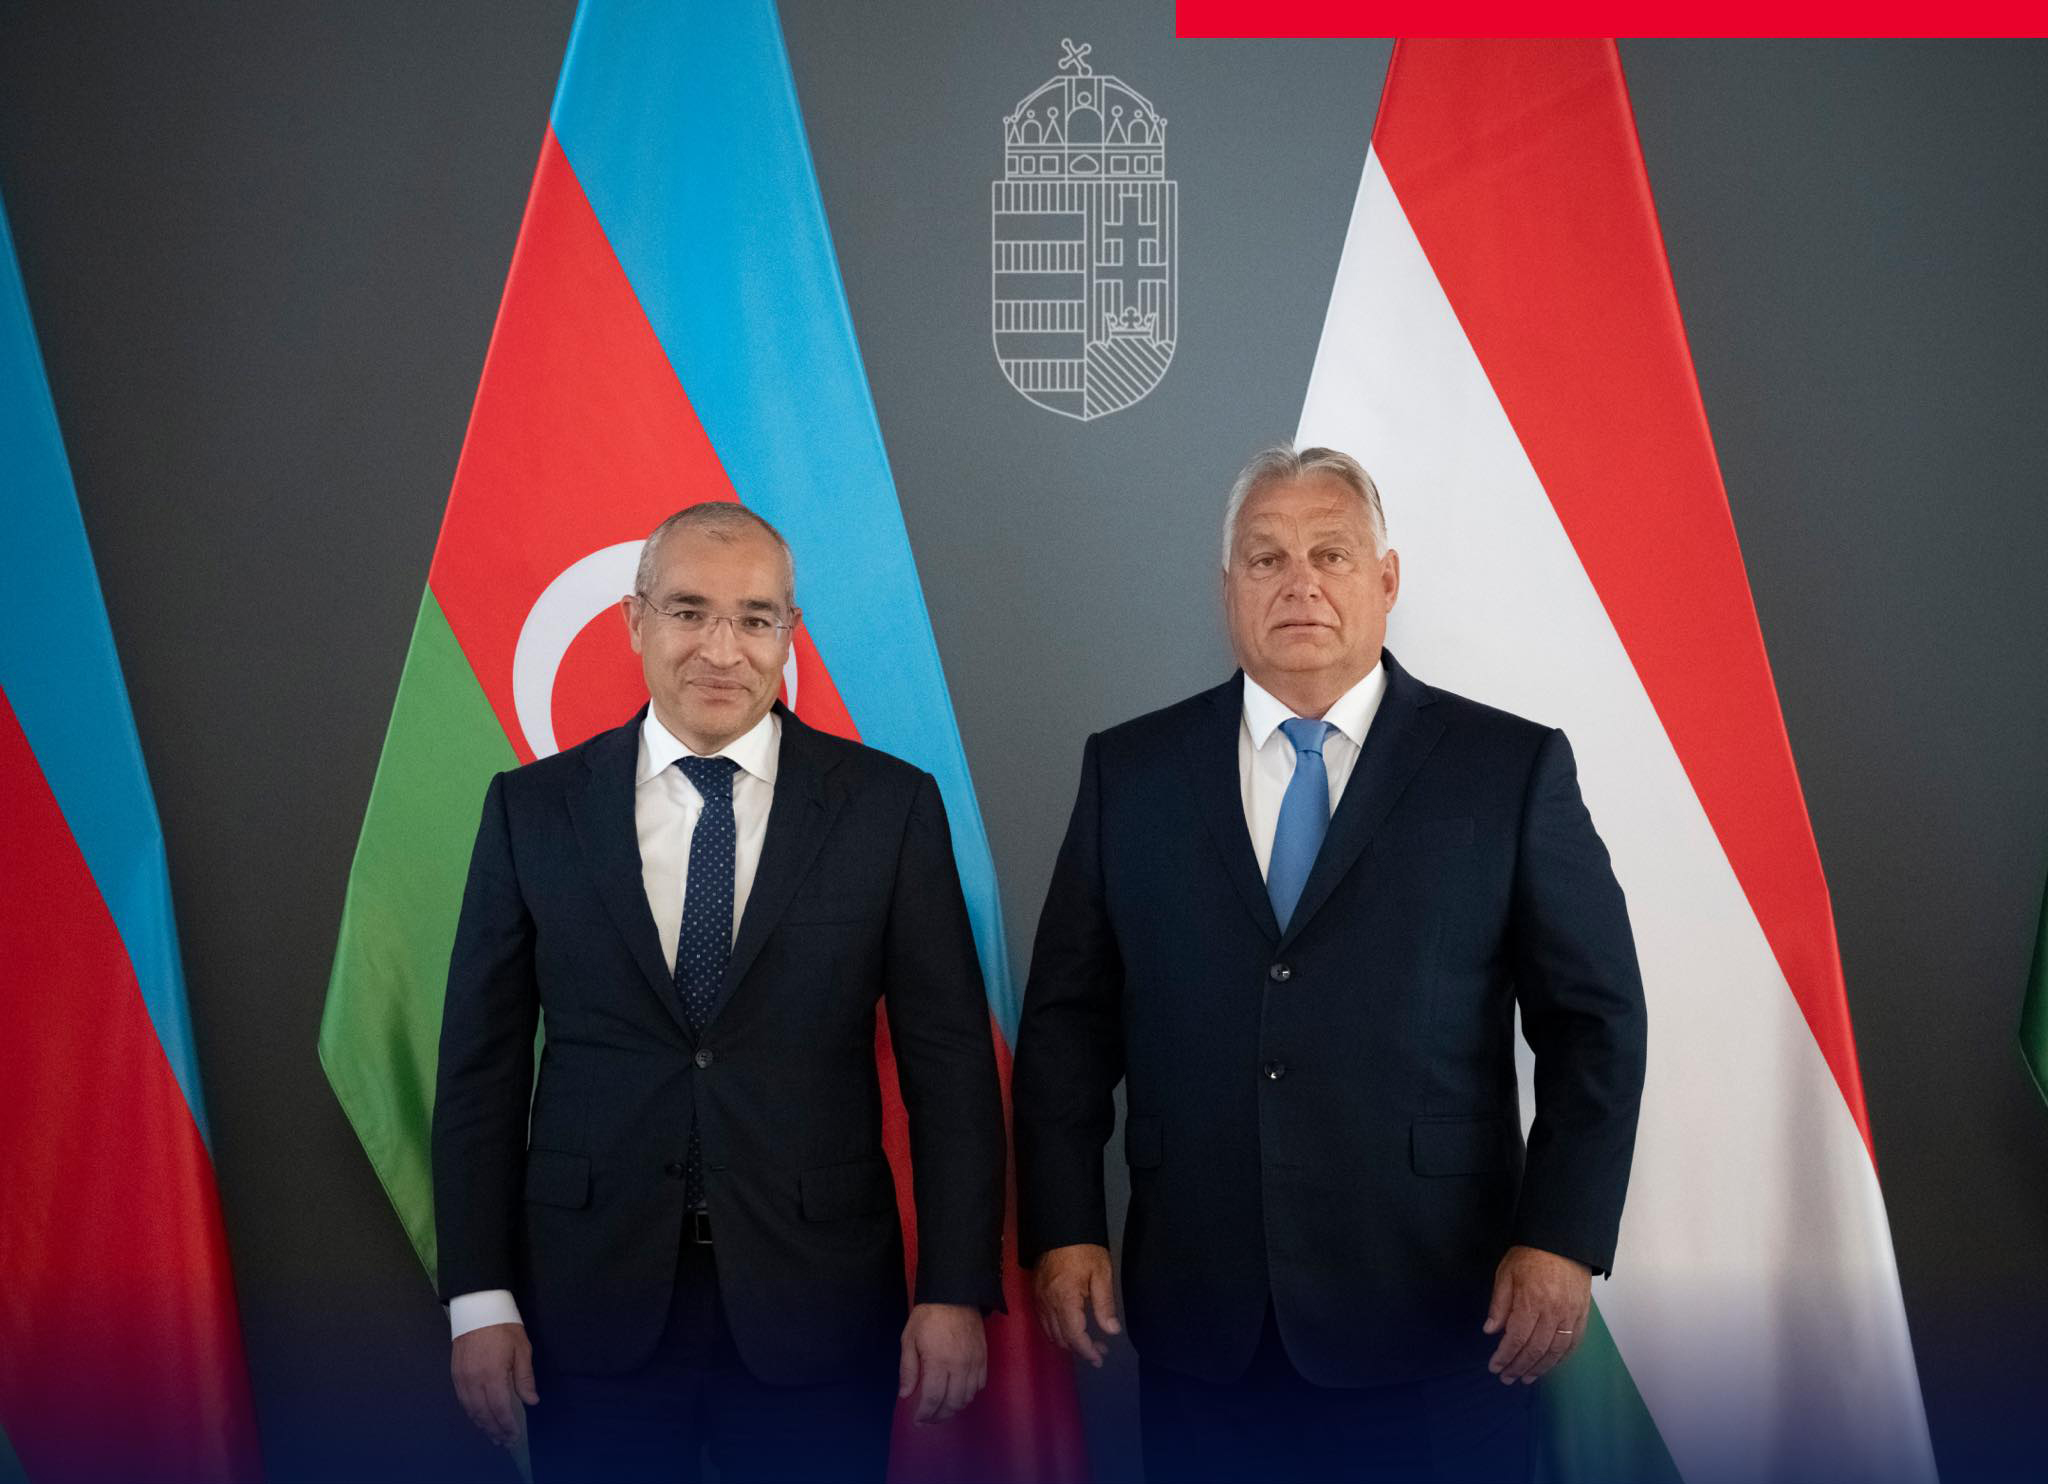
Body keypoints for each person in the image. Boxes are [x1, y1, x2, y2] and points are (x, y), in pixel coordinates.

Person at [1013, 445, 1648, 1484]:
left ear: (1385, 580)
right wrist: (1065, 1226)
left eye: (1331, 554)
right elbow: (1065, 1027)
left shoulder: (1507, 767)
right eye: (1265, 558)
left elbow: (1595, 1024)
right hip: (1204, 1317)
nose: (1298, 582)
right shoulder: (1129, 771)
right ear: (1226, 589)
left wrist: (1562, 1237)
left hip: (1441, 1307)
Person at [432, 501, 1005, 1483]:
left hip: (819, 1304)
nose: (721, 648)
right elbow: (479, 1071)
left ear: (789, 633)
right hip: (587, 1302)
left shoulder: (888, 808)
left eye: (754, 618)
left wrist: (952, 1285)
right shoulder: (532, 809)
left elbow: (949, 1068)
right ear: (635, 620)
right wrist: (479, 1298)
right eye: (689, 611)